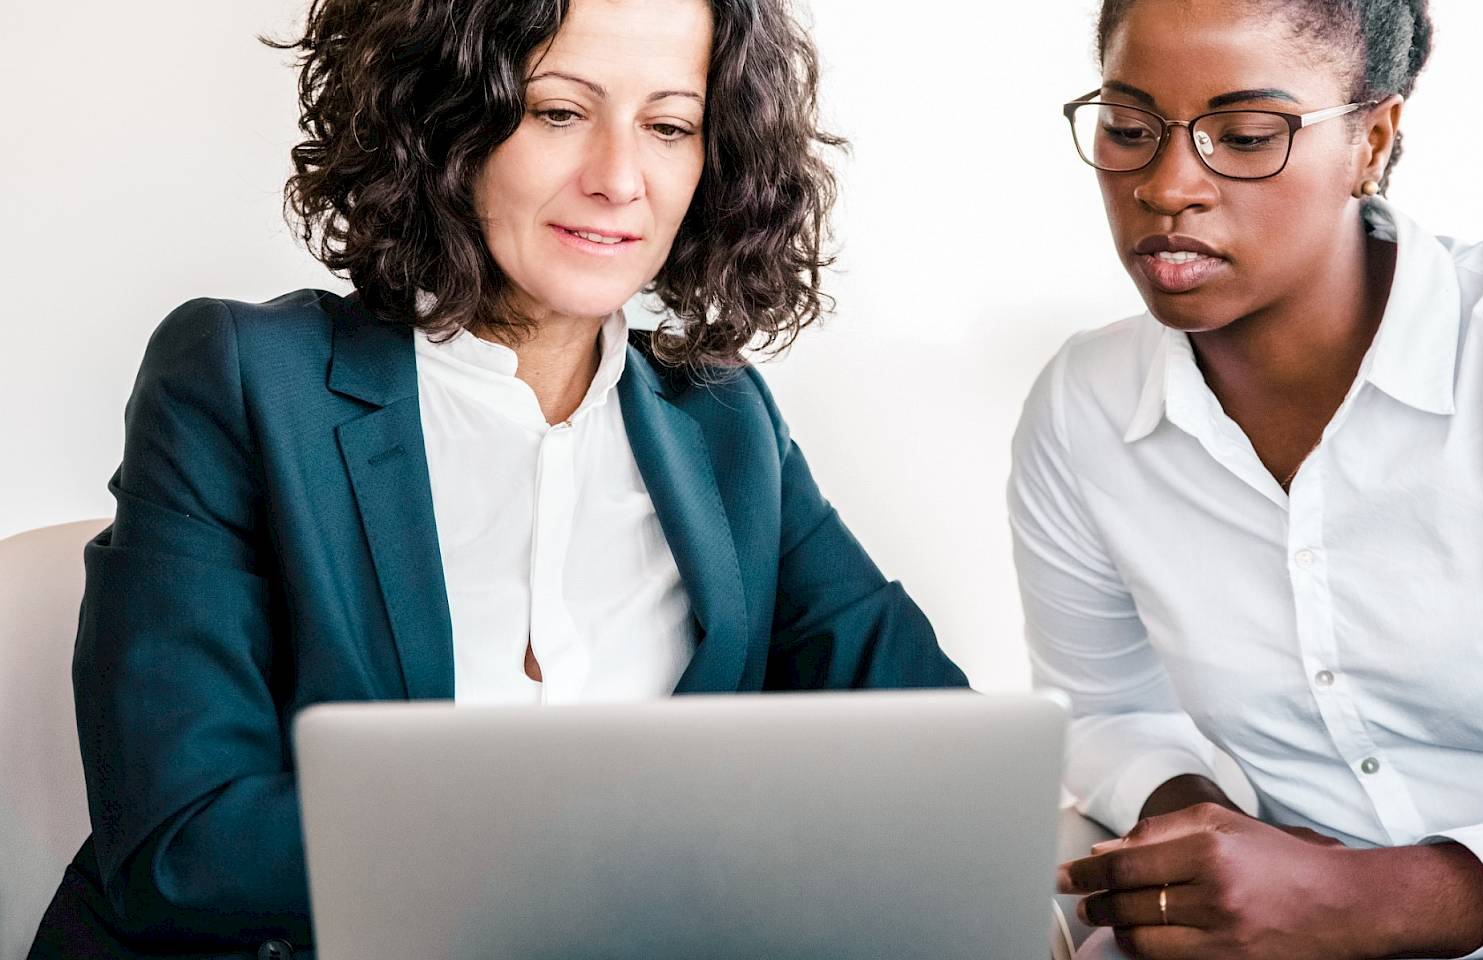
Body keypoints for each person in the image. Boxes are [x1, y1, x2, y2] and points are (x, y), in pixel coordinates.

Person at [29, 0, 966, 956]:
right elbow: (185, 851)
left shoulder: (724, 422)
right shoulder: (242, 379)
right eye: (559, 112)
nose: (619, 179)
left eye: (671, 126)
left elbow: (943, 750)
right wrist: (617, 835)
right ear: (445, 115)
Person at [1015, 0, 1483, 957]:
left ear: (1372, 139)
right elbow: (1107, 712)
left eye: (1246, 136)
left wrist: (1371, 898)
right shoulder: (1084, 404)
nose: (1168, 185)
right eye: (1129, 130)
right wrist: (1210, 846)